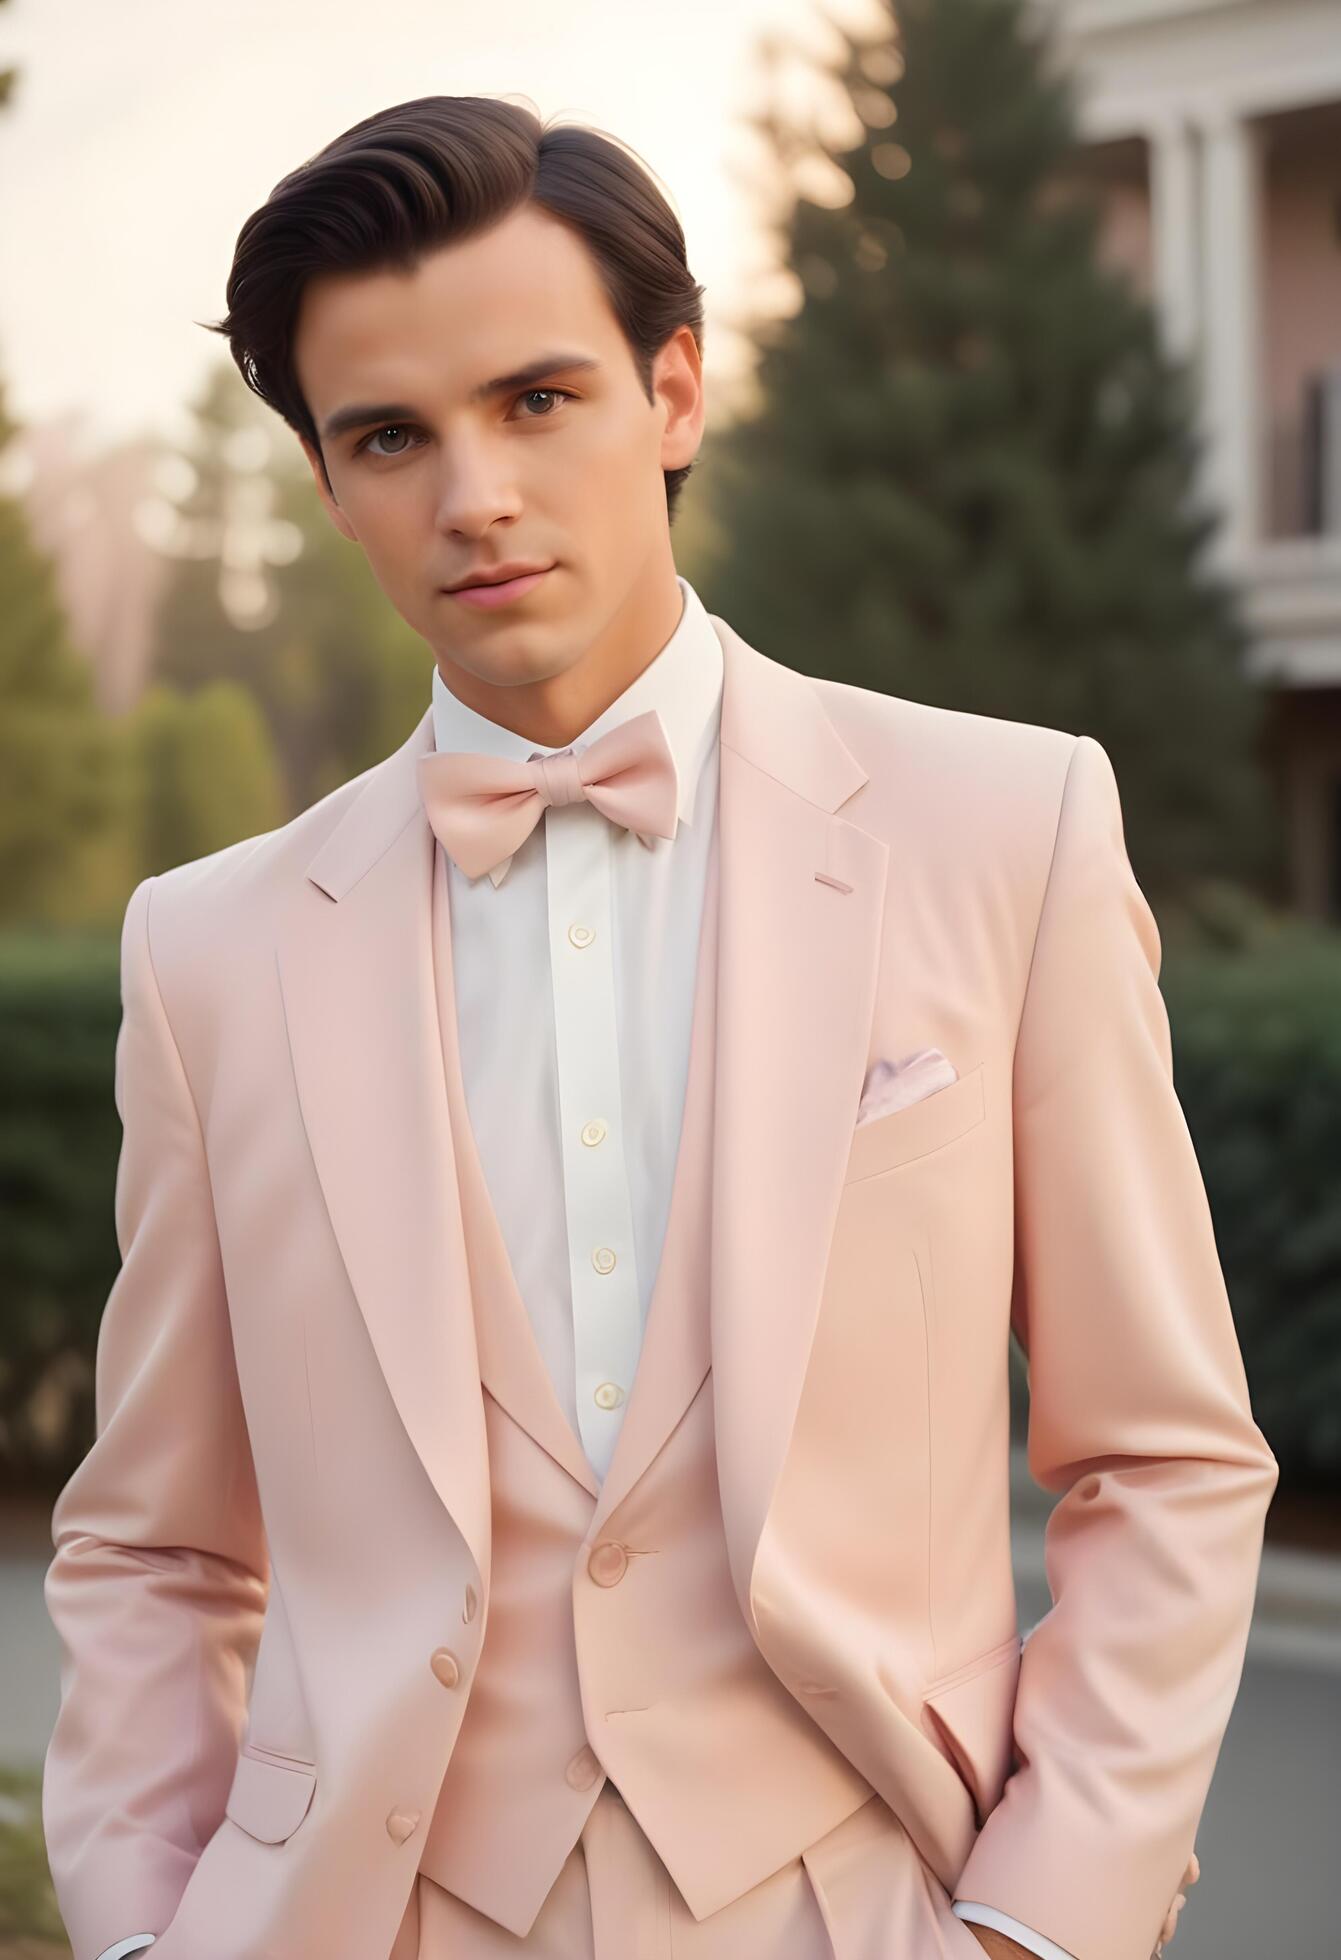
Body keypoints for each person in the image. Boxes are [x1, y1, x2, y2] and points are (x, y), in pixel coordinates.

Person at [42, 94, 1274, 1960]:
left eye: (536, 400)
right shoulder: (206, 951)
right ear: (327, 480)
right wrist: (143, 1932)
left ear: (674, 392)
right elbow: (157, 1541)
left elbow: (1162, 1456)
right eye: (391, 435)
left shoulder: (998, 830)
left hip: (856, 1903)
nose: (473, 497)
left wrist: (1040, 1927)